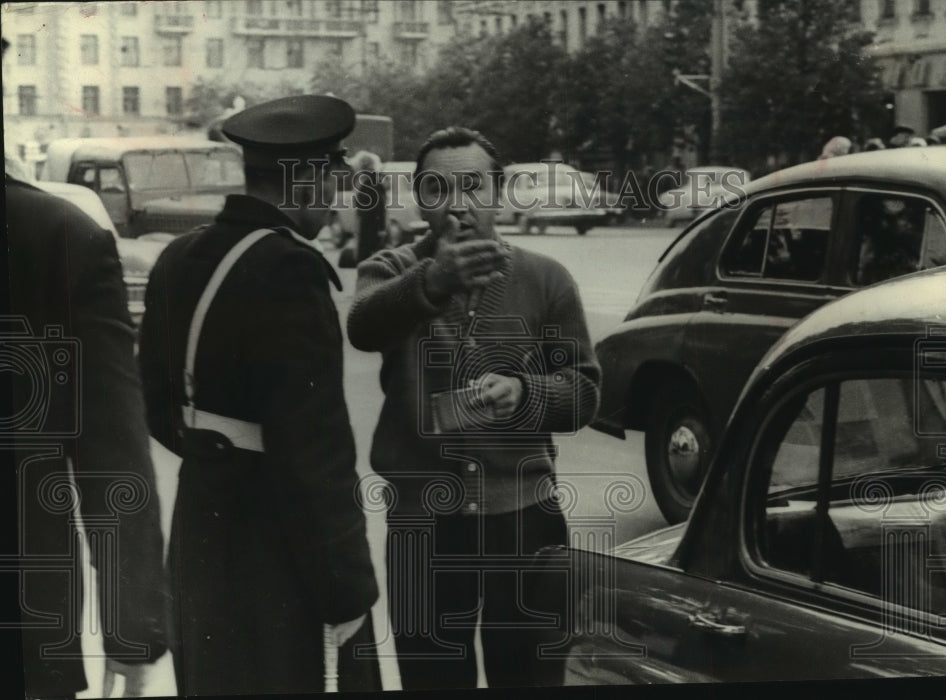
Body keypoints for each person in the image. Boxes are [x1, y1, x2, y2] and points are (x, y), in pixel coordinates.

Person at [138, 95, 380, 695]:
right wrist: (348, 592)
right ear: (307, 179)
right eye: (331, 180)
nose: (334, 202)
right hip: (273, 556)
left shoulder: (179, 256)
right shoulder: (291, 269)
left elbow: (158, 408)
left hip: (199, 532)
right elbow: (316, 454)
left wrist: (221, 448)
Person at [347, 126, 601, 689]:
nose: (458, 205)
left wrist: (526, 393)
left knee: (530, 675)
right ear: (419, 199)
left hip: (524, 517)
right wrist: (433, 280)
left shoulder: (545, 278)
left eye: (472, 187)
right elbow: (364, 325)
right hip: (423, 522)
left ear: (499, 193)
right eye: (437, 189)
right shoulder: (389, 270)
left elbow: (583, 392)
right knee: (433, 677)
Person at [3, 34, 169, 700]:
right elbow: (113, 453)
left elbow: (111, 453)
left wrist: (134, 624)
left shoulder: (60, 239)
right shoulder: (60, 236)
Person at [351, 150, 387, 264]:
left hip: (371, 225)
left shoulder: (372, 182)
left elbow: (380, 206)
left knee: (368, 257)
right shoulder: (367, 181)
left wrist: (381, 228)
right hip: (367, 224)